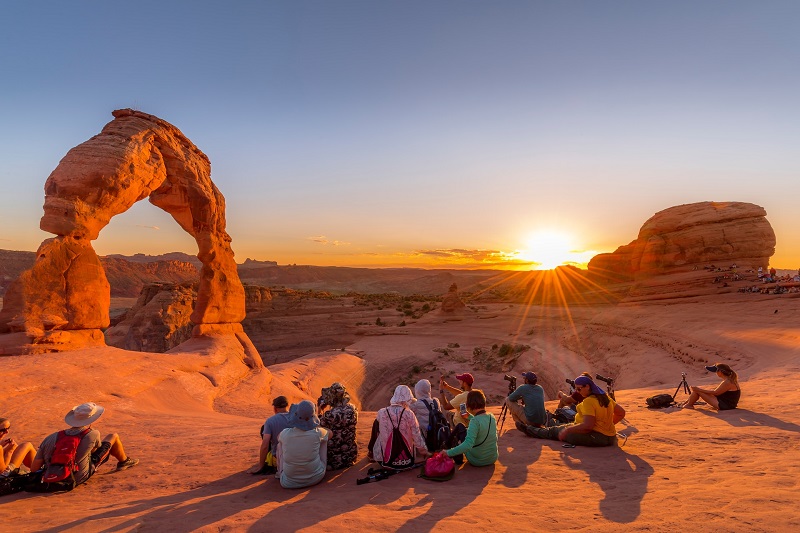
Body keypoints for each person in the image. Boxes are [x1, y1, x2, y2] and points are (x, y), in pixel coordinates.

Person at [28, 402, 138, 488]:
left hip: (50, 477)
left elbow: (34, 468)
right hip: (78, 476)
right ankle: (124, 461)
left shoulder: (50, 437)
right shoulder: (93, 434)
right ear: (91, 418)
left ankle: (57, 474)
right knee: (113, 436)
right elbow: (95, 452)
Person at [520, 376, 625, 447]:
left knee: (555, 431)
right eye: (576, 389)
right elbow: (621, 413)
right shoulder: (605, 397)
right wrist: (606, 425)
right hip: (610, 437)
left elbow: (587, 426)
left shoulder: (589, 401)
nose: (577, 392)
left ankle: (530, 430)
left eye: (579, 389)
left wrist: (568, 430)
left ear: (588, 386)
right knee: (560, 426)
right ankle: (540, 426)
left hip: (596, 437)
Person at [368, 385, 428, 468]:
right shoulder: (409, 414)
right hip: (406, 460)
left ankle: (371, 452)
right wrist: (424, 452)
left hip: (385, 461)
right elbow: (417, 436)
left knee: (377, 425)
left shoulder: (381, 413)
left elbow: (376, 431)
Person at [276, 400, 330, 489]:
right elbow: (330, 433)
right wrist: (316, 426)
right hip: (316, 477)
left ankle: (279, 473)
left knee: (280, 445)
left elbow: (278, 437)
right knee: (324, 440)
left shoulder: (285, 433)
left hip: (288, 482)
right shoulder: (317, 433)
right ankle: (320, 467)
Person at [443, 390, 498, 466]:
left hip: (477, 460)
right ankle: (447, 445)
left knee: (460, 426)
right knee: (461, 427)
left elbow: (467, 445)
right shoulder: (492, 417)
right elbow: (482, 423)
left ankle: (447, 448)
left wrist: (448, 453)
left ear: (470, 404)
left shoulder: (474, 421)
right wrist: (468, 416)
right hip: (492, 458)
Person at [318, 382, 358, 470]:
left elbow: (319, 426)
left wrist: (320, 411)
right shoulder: (353, 409)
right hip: (350, 457)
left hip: (334, 460)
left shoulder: (330, 414)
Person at [250, 396, 291, 475]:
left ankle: (267, 464)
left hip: (278, 458)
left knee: (264, 429)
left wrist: (260, 466)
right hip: (294, 455)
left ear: (275, 408)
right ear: (287, 405)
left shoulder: (270, 421)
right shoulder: (295, 418)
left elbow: (265, 445)